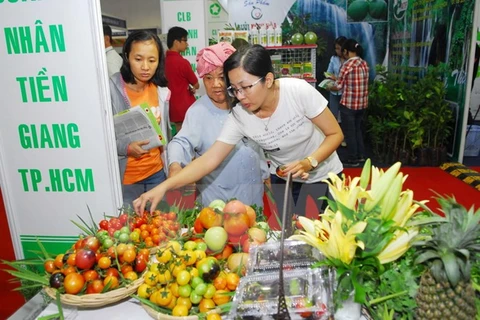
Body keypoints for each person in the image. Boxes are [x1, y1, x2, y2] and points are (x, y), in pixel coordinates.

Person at [133, 44, 344, 216]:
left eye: (246, 87)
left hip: (322, 173)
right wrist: (164, 186)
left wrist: (309, 162)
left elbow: (335, 134)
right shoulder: (240, 115)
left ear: (268, 80)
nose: (240, 96)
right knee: (290, 238)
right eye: (234, 89)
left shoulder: (297, 92)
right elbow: (209, 160)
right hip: (284, 177)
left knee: (327, 239)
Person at [168, 42, 269, 207]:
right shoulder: (198, 111)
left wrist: (265, 174)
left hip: (253, 196)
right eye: (208, 78)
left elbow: (256, 145)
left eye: (221, 77)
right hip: (217, 203)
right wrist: (175, 166)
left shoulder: (247, 103)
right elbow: (181, 142)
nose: (216, 84)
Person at [109, 30, 171, 207]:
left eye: (152, 60)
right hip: (126, 179)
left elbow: (165, 133)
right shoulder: (110, 90)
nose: (145, 67)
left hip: (157, 174)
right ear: (127, 57)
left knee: (158, 229)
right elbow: (99, 138)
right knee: (129, 231)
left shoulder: (160, 91)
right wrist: (126, 148)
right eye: (138, 59)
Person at [328, 39, 369, 167]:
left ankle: (352, 158)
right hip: (362, 104)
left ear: (346, 51)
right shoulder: (364, 63)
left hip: (349, 104)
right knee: (357, 130)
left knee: (349, 132)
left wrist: (329, 87)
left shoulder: (347, 65)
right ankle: (361, 156)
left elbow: (338, 86)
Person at [165, 26, 200, 134]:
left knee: (179, 133)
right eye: (185, 40)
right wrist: (192, 87)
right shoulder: (182, 63)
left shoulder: (162, 62)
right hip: (186, 106)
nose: (187, 44)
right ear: (176, 42)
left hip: (170, 106)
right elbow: (196, 84)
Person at [325, 36, 347, 123]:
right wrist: (329, 77)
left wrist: (336, 78)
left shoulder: (350, 61)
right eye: (336, 48)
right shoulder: (333, 58)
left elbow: (349, 79)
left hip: (345, 92)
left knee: (345, 116)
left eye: (339, 48)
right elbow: (328, 72)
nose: (337, 51)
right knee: (334, 116)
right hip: (334, 90)